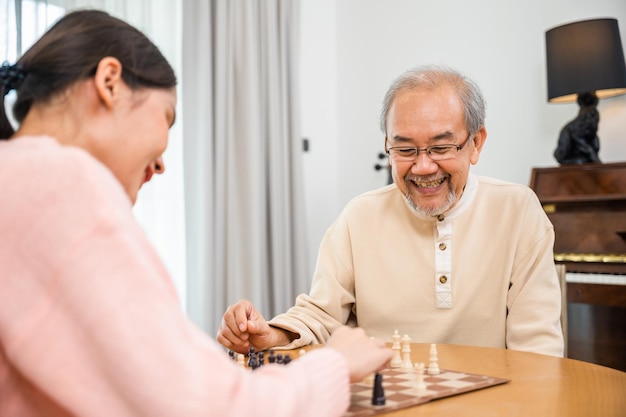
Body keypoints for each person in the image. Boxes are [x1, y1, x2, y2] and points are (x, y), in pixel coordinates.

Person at [0, 10, 392, 417]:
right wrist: (335, 365)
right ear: (109, 82)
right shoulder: (65, 187)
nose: (162, 163)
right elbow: (211, 408)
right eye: (167, 116)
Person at [218, 65, 565, 358]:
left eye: (441, 147)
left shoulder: (517, 210)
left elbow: (536, 345)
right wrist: (271, 334)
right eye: (404, 149)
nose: (423, 166)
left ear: (475, 143)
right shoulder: (359, 217)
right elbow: (321, 315)